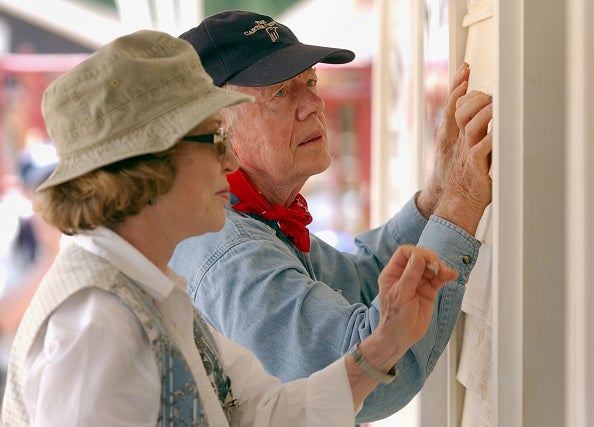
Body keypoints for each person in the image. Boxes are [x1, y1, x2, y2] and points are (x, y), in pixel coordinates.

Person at [1, 30, 458, 427]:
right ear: (152, 166)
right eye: (216, 139)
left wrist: (381, 347)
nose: (232, 159)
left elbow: (262, 413)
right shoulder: (94, 327)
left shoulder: (147, 286)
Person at [171, 10, 493, 423]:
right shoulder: (231, 254)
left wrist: (437, 196)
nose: (314, 104)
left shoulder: (254, 217)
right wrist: (463, 200)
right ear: (219, 127)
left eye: (309, 82)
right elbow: (359, 377)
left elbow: (362, 282)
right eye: (282, 94)